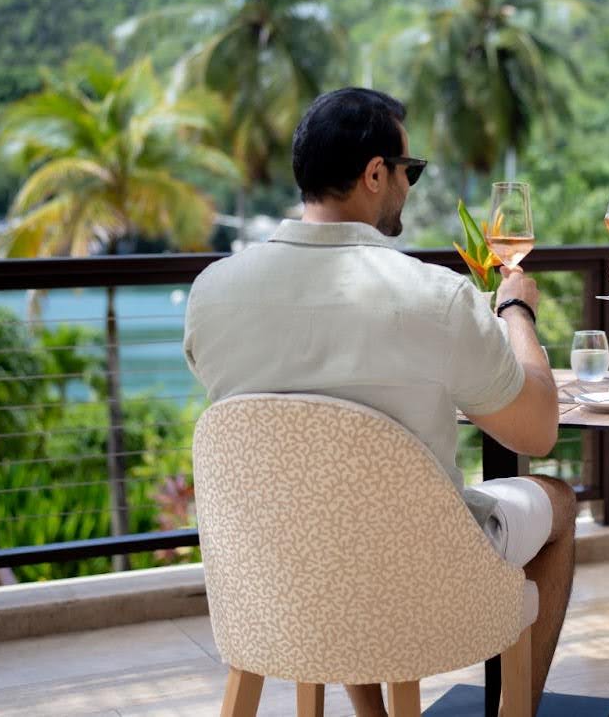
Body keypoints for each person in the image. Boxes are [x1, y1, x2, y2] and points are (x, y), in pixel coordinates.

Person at [183, 87, 576, 717]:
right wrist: (517, 311)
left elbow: (283, 431)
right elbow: (535, 432)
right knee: (557, 499)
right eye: (409, 170)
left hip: (277, 587)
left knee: (338, 523)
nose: (409, 186)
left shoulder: (212, 294)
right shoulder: (433, 297)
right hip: (423, 589)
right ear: (374, 174)